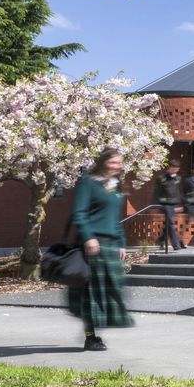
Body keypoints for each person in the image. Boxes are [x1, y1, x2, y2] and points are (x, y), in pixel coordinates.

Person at [69, 148, 133, 350]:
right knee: (91, 292)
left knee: (111, 290)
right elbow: (79, 213)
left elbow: (116, 219)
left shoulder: (115, 188)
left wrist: (122, 242)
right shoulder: (88, 183)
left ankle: (99, 328)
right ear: (103, 162)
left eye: (119, 163)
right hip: (92, 245)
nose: (117, 166)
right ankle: (91, 336)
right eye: (113, 162)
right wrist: (89, 237)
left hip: (111, 245)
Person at [153, 159, 185, 251]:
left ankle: (161, 240)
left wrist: (180, 204)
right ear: (169, 167)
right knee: (171, 223)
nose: (175, 171)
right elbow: (157, 193)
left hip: (174, 204)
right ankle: (176, 244)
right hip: (165, 204)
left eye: (177, 169)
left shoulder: (178, 178)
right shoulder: (162, 178)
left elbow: (179, 191)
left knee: (168, 224)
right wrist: (155, 205)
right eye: (173, 169)